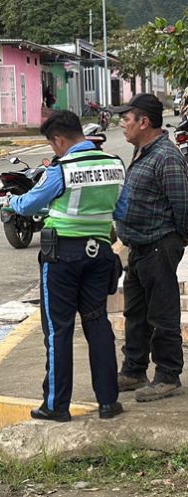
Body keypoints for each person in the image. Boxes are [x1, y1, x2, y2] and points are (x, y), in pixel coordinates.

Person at [6, 110, 126, 422]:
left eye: (53, 144)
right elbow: (122, 207)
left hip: (62, 257)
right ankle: (109, 402)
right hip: (100, 253)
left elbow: (30, 203)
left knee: (59, 330)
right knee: (97, 324)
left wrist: (11, 202)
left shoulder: (63, 168)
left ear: (59, 140)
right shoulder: (114, 163)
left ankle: (57, 406)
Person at [112, 93, 188, 402]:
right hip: (140, 246)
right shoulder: (143, 152)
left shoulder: (166, 156)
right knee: (135, 313)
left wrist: (177, 240)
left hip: (159, 244)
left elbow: (182, 203)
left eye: (126, 119)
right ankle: (133, 370)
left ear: (145, 122)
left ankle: (168, 375)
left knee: (162, 313)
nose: (122, 125)